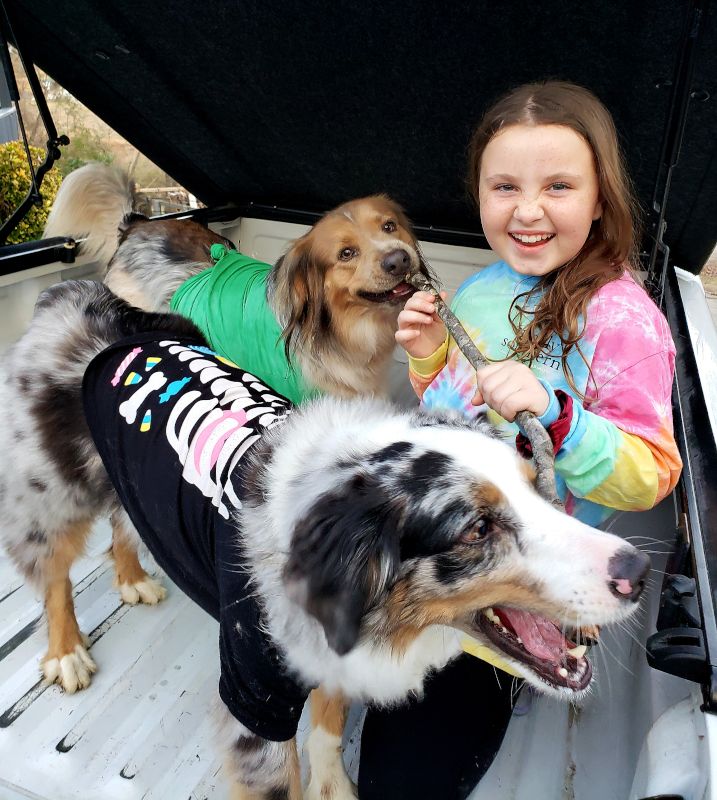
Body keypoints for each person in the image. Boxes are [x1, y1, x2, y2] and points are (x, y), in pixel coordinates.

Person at [357, 80, 682, 800]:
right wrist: (430, 357)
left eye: (558, 186)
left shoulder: (624, 323)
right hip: (449, 554)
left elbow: (651, 474)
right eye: (504, 186)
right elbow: (453, 421)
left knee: (398, 783)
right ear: (478, 194)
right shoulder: (480, 291)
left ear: (599, 199)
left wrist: (560, 416)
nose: (527, 210)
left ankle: (529, 666)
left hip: (530, 577)